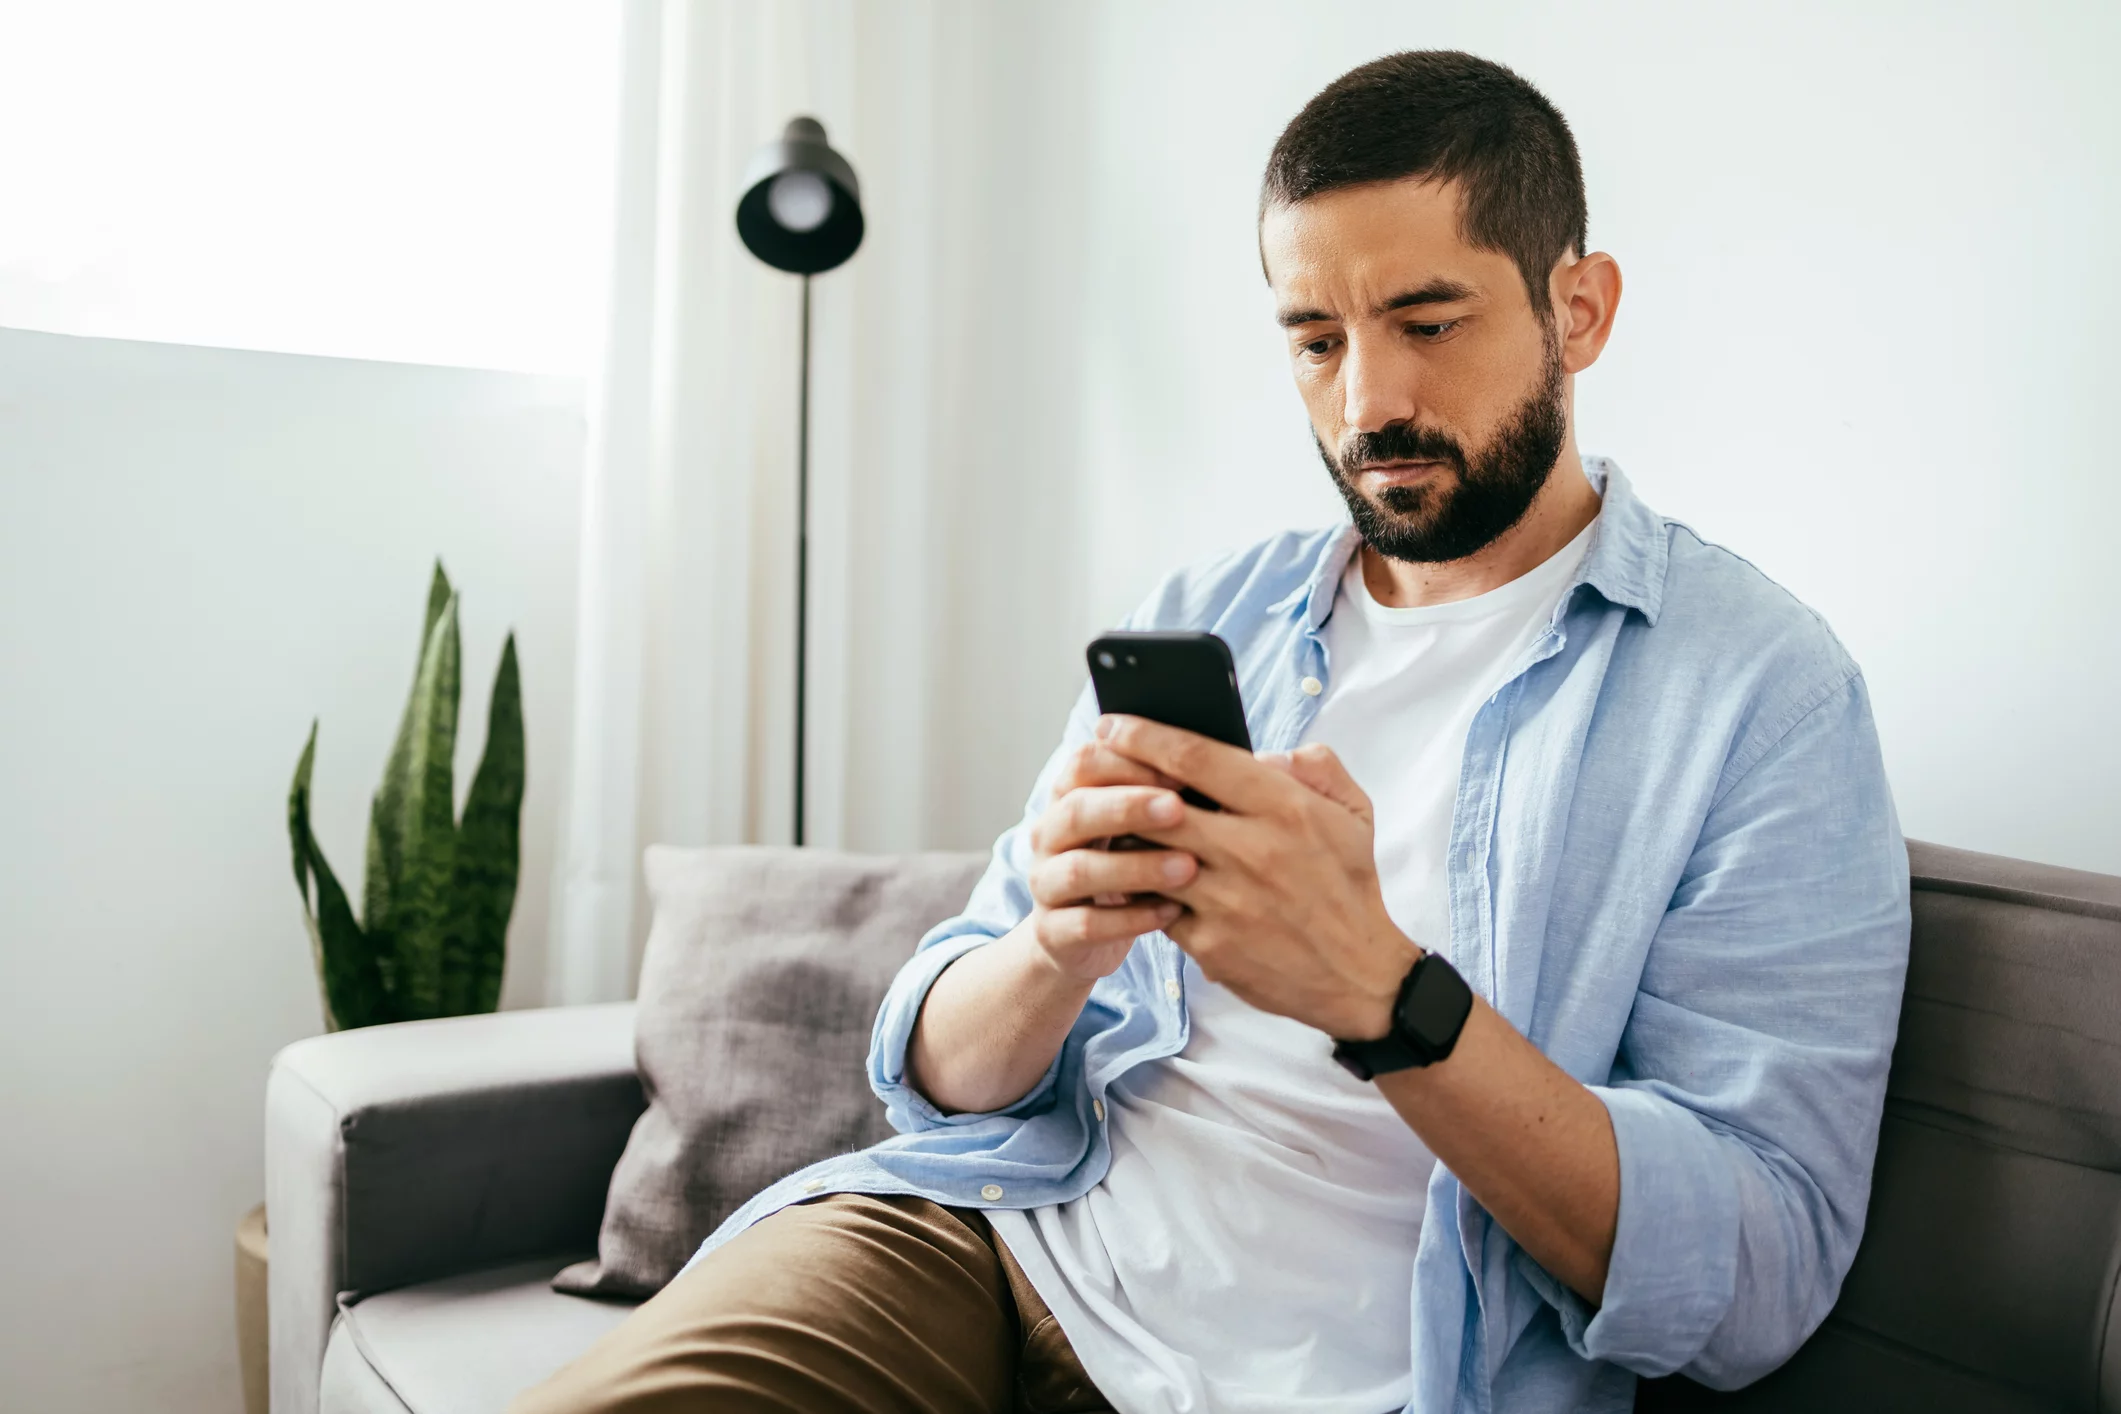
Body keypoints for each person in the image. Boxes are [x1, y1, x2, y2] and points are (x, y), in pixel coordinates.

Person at [517, 49, 1910, 1414]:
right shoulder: (1213, 616)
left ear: (1581, 309)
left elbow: (1756, 1273)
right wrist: (1056, 948)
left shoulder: (1761, 697)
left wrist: (1379, 989)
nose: (1368, 402)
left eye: (1428, 323)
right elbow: (933, 1072)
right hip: (996, 1241)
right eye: (1317, 340)